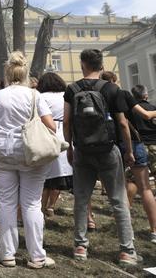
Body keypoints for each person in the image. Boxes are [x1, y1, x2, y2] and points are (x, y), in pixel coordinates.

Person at [63, 49, 139, 265]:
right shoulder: (112, 89)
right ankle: (127, 251)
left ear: (83, 64)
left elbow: (67, 122)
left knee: (81, 198)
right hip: (108, 150)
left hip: (82, 151)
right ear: (101, 65)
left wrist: (69, 146)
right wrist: (129, 151)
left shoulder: (72, 89)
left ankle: (80, 247)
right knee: (118, 199)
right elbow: (123, 123)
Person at [0, 52, 57, 268]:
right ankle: (37, 256)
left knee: (7, 202)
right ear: (26, 73)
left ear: (7, 73)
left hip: (2, 151)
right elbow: (51, 126)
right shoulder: (35, 95)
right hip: (30, 153)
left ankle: (7, 254)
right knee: (31, 203)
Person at [100, 73, 156, 243]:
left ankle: (125, 231)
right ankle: (154, 230)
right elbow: (145, 115)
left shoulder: (98, 96)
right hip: (133, 143)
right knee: (145, 187)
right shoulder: (123, 94)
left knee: (121, 188)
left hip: (111, 145)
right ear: (114, 81)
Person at [37, 72, 73, 217]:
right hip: (65, 134)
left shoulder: (41, 97)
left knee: (47, 177)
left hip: (47, 134)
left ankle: (41, 207)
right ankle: (51, 206)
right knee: (62, 175)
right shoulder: (66, 95)